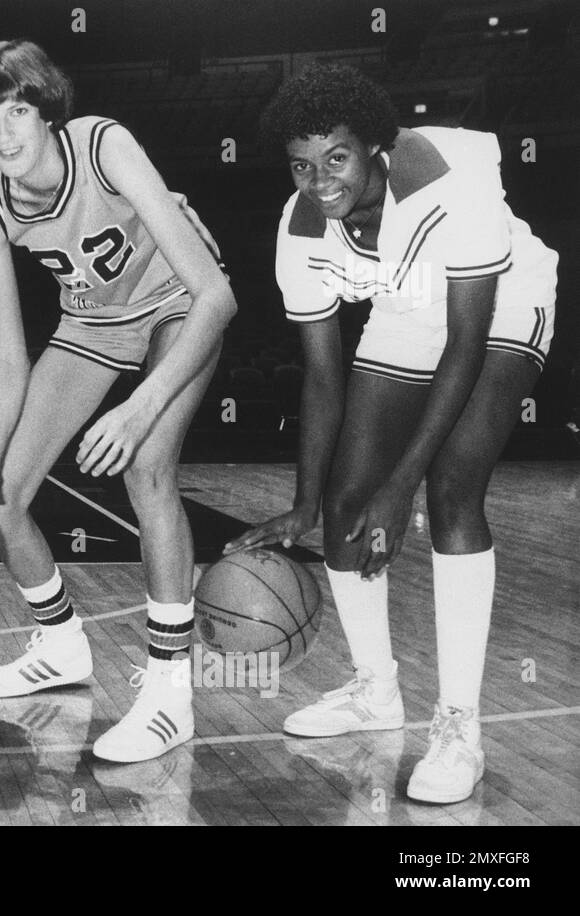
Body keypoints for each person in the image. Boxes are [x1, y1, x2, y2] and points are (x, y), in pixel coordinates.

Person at [228, 63, 557, 804]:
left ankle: (459, 730)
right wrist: (308, 501)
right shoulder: (300, 227)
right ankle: (376, 693)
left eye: (336, 159)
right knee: (347, 505)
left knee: (451, 489)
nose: (318, 181)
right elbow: (321, 376)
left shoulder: (448, 189)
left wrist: (399, 487)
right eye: (301, 165)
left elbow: (467, 345)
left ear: (375, 147)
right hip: (409, 306)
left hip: (499, 305)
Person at [0, 40, 236, 763]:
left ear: (49, 114)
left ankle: (168, 696)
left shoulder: (102, 144)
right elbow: (8, 354)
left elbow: (217, 294)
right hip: (94, 322)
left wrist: (140, 405)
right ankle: (61, 646)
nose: (4, 134)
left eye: (20, 112)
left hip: (178, 305)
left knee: (146, 466)